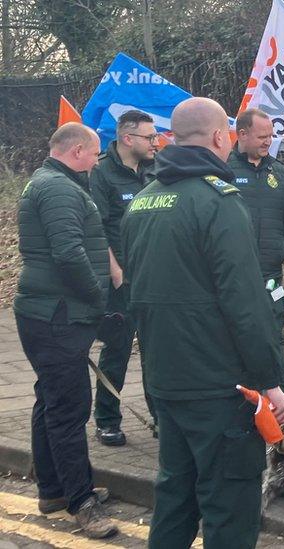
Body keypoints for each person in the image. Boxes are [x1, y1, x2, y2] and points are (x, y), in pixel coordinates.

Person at [121, 97, 284, 549]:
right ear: (221, 137)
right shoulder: (218, 202)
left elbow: (137, 291)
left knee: (175, 495)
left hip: (165, 379)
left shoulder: (142, 202)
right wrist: (271, 381)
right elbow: (246, 304)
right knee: (229, 506)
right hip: (219, 387)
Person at [14, 122, 118, 538]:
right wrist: (97, 301)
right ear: (77, 151)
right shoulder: (58, 189)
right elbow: (69, 252)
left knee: (50, 401)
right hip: (57, 314)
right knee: (69, 409)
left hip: (48, 311)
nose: (97, 162)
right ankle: (81, 502)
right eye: (94, 154)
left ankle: (53, 490)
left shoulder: (50, 182)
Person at [89, 109, 159, 446]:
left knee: (157, 351)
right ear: (127, 138)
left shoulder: (155, 170)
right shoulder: (101, 174)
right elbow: (96, 228)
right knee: (116, 350)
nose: (155, 142)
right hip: (122, 280)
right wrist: (115, 271)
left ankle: (161, 417)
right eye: (149, 137)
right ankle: (107, 420)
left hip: (154, 276)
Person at [227, 107, 284, 405]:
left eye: (271, 136)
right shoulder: (223, 169)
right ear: (241, 134)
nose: (268, 141)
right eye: (262, 136)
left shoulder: (278, 172)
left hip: (271, 276)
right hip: (235, 277)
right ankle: (244, 401)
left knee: (273, 337)